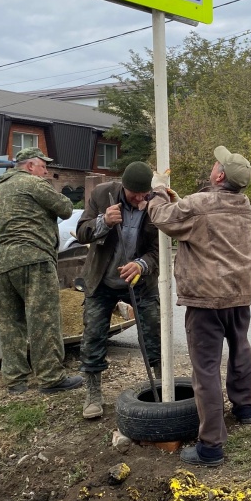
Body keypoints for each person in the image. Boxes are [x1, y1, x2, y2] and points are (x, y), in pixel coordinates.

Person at [146, 146, 251, 468]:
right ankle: (246, 408)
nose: (213, 165)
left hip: (207, 297)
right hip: (239, 291)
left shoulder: (199, 204)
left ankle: (211, 446)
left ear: (220, 175)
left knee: (206, 369)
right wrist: (181, 201)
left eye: (216, 163)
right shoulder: (243, 204)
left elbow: (162, 218)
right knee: (240, 350)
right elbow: (202, 217)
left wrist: (156, 192)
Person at [0, 147, 83, 395]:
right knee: (43, 319)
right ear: (30, 166)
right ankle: (50, 378)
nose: (47, 171)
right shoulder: (33, 183)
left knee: (10, 323)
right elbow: (65, 208)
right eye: (43, 166)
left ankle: (15, 380)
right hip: (33, 259)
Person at [74, 161, 161, 420]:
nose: (140, 198)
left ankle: (162, 386)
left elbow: (160, 250)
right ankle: (93, 393)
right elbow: (81, 232)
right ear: (124, 187)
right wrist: (103, 222)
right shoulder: (103, 194)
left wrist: (141, 264)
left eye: (145, 193)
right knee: (93, 335)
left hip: (140, 282)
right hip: (103, 280)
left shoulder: (156, 202)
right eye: (135, 194)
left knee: (154, 333)